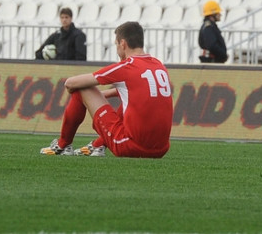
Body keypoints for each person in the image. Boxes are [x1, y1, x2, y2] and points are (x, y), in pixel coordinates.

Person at [40, 21, 174, 158]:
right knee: (130, 104)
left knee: (81, 89)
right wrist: (103, 95)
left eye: (116, 45)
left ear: (123, 44)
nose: (117, 49)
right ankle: (98, 145)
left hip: (128, 146)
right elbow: (139, 91)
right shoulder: (158, 65)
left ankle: (63, 145)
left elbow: (70, 83)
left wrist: (86, 98)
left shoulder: (127, 67)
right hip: (161, 150)